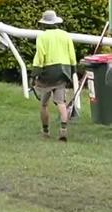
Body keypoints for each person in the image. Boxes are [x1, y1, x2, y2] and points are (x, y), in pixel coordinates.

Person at [32, 10, 77, 142]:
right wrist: (73, 70)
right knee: (61, 102)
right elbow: (72, 55)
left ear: (44, 24)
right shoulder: (66, 35)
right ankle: (63, 129)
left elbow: (40, 57)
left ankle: (45, 131)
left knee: (44, 104)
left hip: (47, 72)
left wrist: (34, 74)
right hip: (63, 71)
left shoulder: (42, 37)